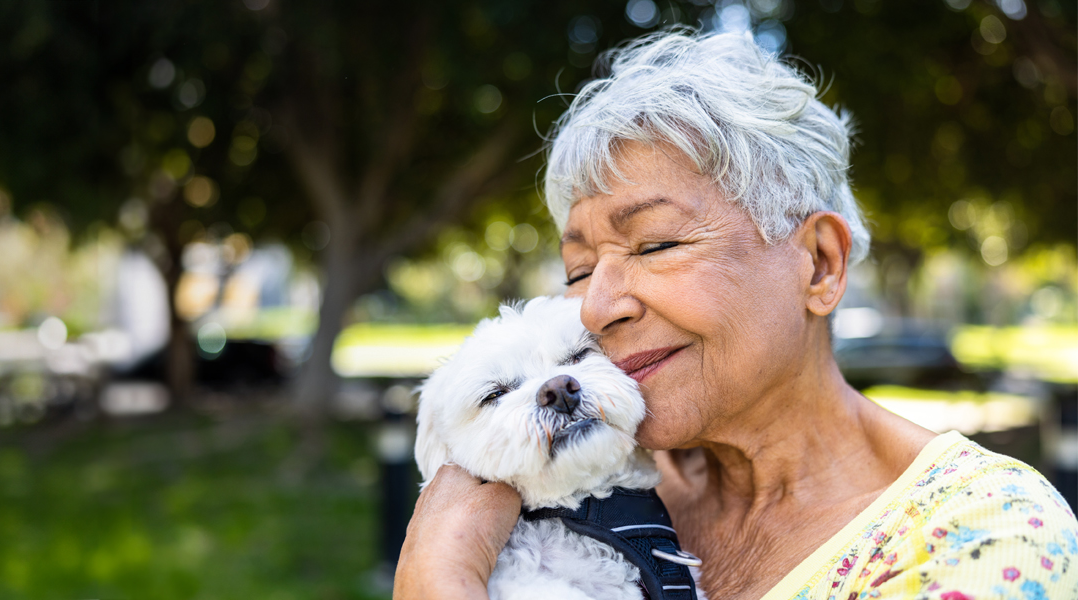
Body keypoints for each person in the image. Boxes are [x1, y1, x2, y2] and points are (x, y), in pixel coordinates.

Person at [394, 30, 1078, 600]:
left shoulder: (985, 538)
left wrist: (437, 580)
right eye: (579, 270)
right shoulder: (583, 482)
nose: (597, 306)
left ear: (819, 265)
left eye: (656, 244)